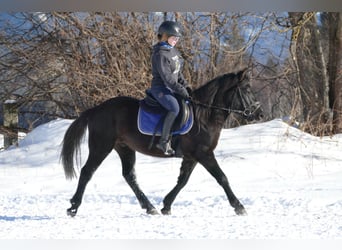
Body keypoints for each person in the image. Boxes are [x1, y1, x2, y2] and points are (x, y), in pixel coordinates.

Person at [150, 20, 191, 155]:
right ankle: (163, 142)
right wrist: (181, 90)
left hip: (173, 87)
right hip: (161, 89)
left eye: (177, 39)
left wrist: (186, 87)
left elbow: (177, 74)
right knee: (174, 107)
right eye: (174, 38)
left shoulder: (172, 51)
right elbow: (167, 79)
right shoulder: (160, 54)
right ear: (165, 36)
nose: (176, 41)